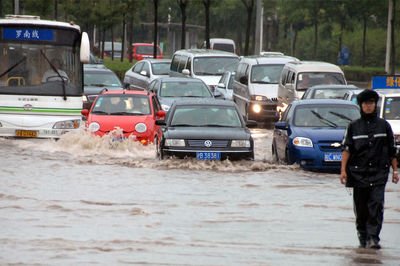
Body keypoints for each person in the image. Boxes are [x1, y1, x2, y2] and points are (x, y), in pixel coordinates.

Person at [340, 89, 399, 249]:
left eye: (371, 103)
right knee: (361, 209)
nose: (368, 106)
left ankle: (374, 238)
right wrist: (343, 171)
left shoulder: (384, 126)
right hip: (358, 174)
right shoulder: (353, 127)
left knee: (376, 205)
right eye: (366, 103)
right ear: (361, 105)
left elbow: (392, 150)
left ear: (375, 105)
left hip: (379, 174)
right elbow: (346, 150)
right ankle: (363, 236)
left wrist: (395, 171)